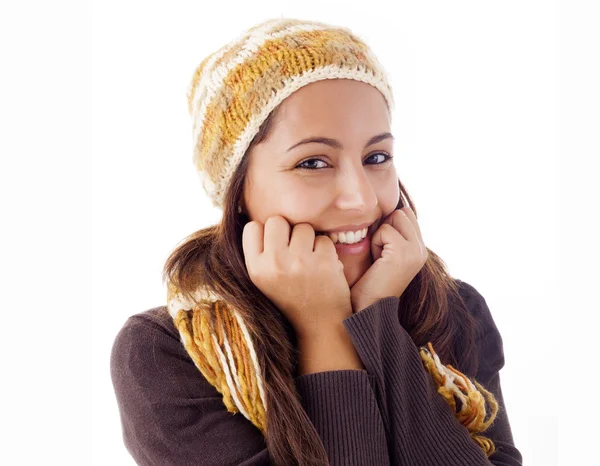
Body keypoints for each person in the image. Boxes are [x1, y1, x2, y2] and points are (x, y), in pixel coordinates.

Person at [110, 17, 523, 466]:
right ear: (238, 188)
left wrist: (377, 319)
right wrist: (322, 327)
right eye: (312, 163)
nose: (361, 199)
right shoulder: (169, 354)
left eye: (377, 157)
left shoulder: (455, 311)